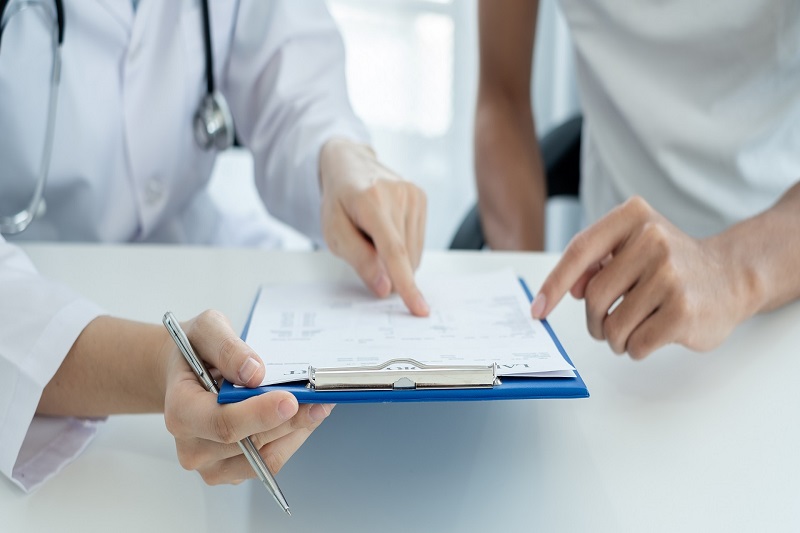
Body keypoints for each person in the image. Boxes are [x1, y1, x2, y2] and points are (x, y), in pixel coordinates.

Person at [0, 0, 428, 492]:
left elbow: (292, 71)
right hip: (30, 302)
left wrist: (338, 154)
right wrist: (153, 365)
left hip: (200, 255)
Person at [475, 0, 800, 359]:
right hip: (615, 312)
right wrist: (527, 295)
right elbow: (502, 97)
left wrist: (728, 272)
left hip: (780, 279)